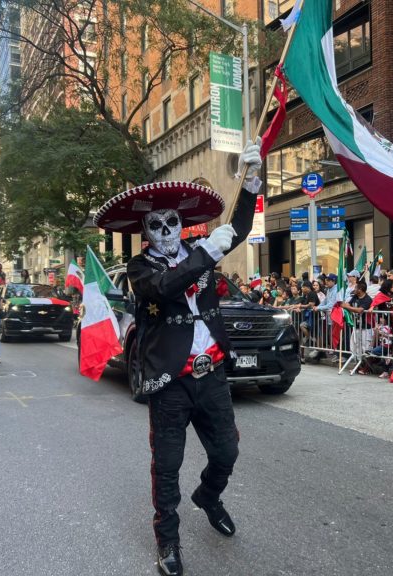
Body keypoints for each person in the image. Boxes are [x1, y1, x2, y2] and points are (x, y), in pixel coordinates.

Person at [92, 139, 261, 576]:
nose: (165, 230)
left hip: (212, 374)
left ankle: (208, 495)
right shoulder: (140, 268)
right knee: (167, 467)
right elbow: (164, 289)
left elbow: (238, 229)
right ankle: (168, 537)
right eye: (156, 225)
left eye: (171, 222)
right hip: (170, 382)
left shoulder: (198, 249)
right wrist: (208, 252)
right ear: (145, 230)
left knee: (227, 451)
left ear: (180, 222)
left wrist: (253, 182)